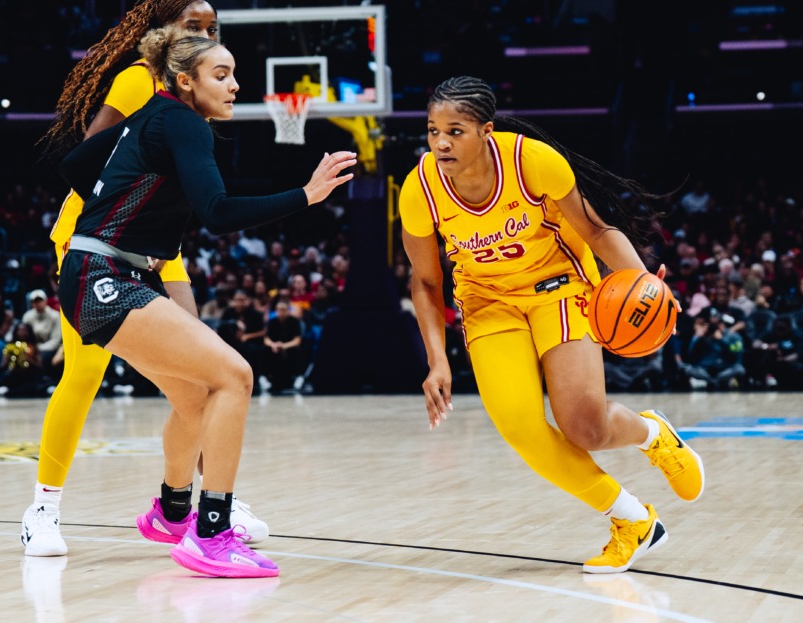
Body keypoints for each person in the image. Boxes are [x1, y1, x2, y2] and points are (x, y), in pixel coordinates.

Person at [53, 32, 355, 577]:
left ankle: (172, 514)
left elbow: (76, 164)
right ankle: (211, 534)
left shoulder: (152, 116)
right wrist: (307, 195)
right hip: (106, 274)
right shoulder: (185, 123)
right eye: (221, 75)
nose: (235, 85)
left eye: (234, 73)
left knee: (193, 397)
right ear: (185, 81)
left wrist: (133, 203)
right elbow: (217, 212)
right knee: (235, 377)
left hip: (100, 270)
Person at [398, 76, 704, 575]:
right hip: (487, 304)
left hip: (559, 288)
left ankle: (652, 434)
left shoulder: (532, 161)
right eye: (433, 130)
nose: (441, 143)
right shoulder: (420, 189)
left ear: (486, 131)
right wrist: (437, 361)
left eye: (455, 131)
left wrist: (644, 284)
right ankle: (633, 521)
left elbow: (596, 231)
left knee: (585, 429)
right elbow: (427, 283)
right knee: (520, 427)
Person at [21, 0, 270, 558]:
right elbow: (87, 155)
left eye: (211, 27)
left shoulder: (198, 92)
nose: (204, 35)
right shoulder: (141, 80)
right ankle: (43, 508)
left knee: (204, 376)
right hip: (98, 242)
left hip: (158, 249)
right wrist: (112, 216)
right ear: (164, 30)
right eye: (192, 25)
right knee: (85, 374)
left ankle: (197, 503)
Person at [261, 299, 305, 392]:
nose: (281, 312)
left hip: (289, 346)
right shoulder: (272, 322)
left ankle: (299, 376)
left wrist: (284, 346)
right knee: (264, 349)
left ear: (288, 310)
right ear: (276, 310)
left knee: (298, 350)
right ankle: (264, 377)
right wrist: (273, 345)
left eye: (284, 309)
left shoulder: (295, 321)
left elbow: (297, 340)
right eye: (279, 309)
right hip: (275, 347)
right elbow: (266, 339)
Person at [20, 289, 62, 366]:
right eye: (35, 301)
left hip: (50, 349)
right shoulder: (27, 316)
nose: (38, 303)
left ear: (45, 301)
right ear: (32, 303)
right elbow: (23, 335)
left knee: (43, 357)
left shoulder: (55, 316)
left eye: (40, 300)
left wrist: (38, 348)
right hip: (31, 347)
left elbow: (56, 341)